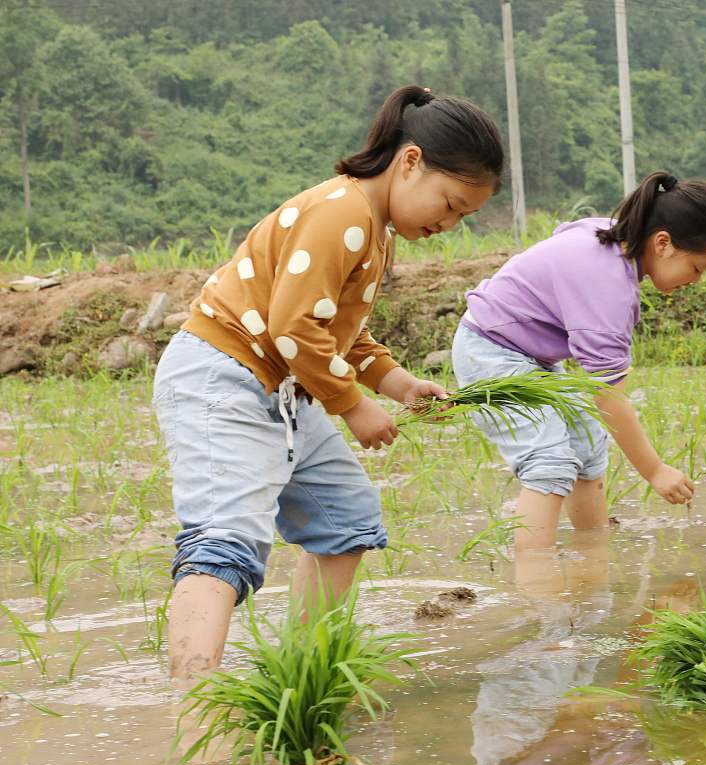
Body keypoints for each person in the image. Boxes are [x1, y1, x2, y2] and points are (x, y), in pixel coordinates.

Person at [153, 85, 504, 679]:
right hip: (223, 374)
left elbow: (337, 331)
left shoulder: (373, 229)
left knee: (345, 520)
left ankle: (303, 675)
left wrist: (399, 385)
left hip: (284, 386)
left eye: (462, 217)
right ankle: (191, 696)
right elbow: (293, 326)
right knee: (225, 538)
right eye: (449, 205)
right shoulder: (341, 212)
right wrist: (353, 405)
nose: (448, 223)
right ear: (410, 161)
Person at [451, 171, 706, 550]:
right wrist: (655, 470)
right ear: (663, 243)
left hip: (528, 354)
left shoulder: (609, 237)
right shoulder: (608, 286)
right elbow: (608, 397)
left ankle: (593, 558)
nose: (696, 280)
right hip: (490, 351)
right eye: (698, 268)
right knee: (549, 461)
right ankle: (536, 577)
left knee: (586, 442)